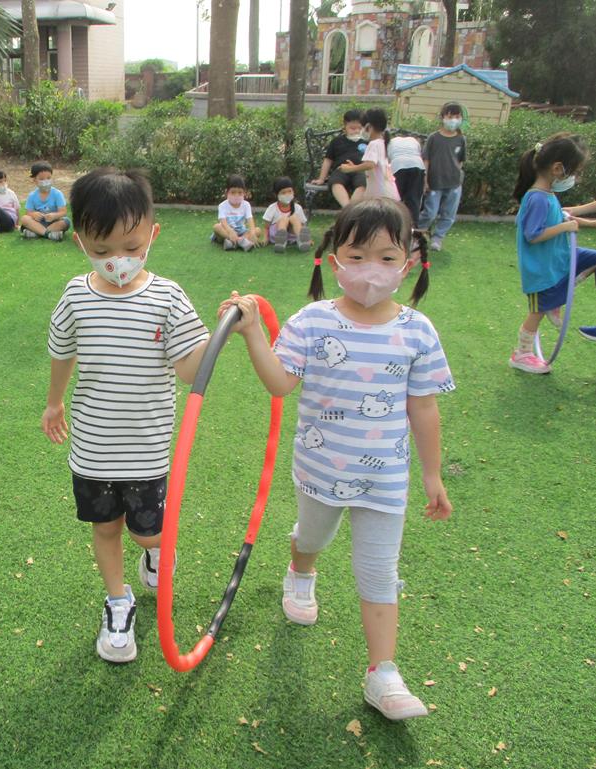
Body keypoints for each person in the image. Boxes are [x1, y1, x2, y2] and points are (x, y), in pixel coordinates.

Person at [220, 198, 454, 721]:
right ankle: (300, 571)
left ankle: (383, 672)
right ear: (334, 260)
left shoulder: (417, 330)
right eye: (358, 255)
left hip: (385, 479)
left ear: (408, 263)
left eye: (387, 258)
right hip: (321, 469)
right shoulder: (311, 322)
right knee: (313, 537)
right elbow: (280, 384)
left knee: (379, 571)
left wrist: (432, 474)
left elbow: (424, 408)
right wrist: (254, 332)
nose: (372, 270)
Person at [42, 168, 211, 663]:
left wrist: (222, 334)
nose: (118, 259)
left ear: (152, 234)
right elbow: (62, 352)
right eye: (102, 249)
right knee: (105, 528)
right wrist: (54, 401)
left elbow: (188, 371)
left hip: (147, 449)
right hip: (94, 447)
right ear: (80, 242)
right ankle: (119, 602)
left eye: (132, 247)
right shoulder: (76, 295)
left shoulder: (168, 297)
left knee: (147, 531)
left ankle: (156, 550)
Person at [508, 133, 596, 374]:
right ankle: (522, 354)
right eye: (574, 172)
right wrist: (565, 227)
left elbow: (553, 219)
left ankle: (558, 298)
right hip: (543, 269)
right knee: (536, 312)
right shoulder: (537, 197)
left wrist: (568, 218)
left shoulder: (547, 194)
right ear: (557, 169)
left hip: (560, 258)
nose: (576, 178)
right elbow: (533, 234)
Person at [420, 103, 468, 251]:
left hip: (454, 183)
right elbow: (426, 160)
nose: (453, 120)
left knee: (448, 214)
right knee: (430, 213)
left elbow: (460, 161)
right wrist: (425, 180)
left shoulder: (461, 139)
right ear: (443, 117)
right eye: (450, 116)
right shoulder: (433, 138)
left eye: (457, 116)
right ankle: (417, 233)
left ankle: (437, 238)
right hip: (435, 182)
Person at [339, 108, 399, 202]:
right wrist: (355, 166)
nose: (361, 130)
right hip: (387, 192)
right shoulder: (382, 142)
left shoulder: (373, 144)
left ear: (369, 127)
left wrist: (350, 169)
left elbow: (370, 164)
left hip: (380, 195)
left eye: (362, 127)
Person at [311, 109, 368, 207]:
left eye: (360, 128)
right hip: (341, 169)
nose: (356, 131)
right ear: (345, 127)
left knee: (363, 184)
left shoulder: (367, 142)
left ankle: (351, 209)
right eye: (352, 128)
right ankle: (346, 207)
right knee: (335, 182)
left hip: (359, 170)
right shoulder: (337, 142)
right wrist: (321, 179)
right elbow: (328, 160)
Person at [20, 161, 71, 241]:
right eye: (41, 179)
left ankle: (37, 233)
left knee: (65, 221)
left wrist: (54, 215)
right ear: (34, 180)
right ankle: (48, 234)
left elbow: (63, 212)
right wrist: (34, 214)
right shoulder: (32, 195)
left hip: (54, 222)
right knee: (24, 219)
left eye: (48, 178)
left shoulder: (57, 193)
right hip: (38, 223)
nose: (46, 181)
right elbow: (28, 213)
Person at [212, 174, 262, 251]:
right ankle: (240, 242)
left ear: (244, 193)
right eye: (233, 192)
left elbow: (250, 219)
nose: (236, 195)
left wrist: (252, 233)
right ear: (227, 192)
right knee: (216, 227)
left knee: (257, 230)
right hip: (227, 231)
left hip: (242, 232)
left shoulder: (246, 205)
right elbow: (223, 222)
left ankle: (235, 242)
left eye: (240, 192)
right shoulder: (222, 205)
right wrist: (230, 231)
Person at [263, 176, 312, 252]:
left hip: (292, 236)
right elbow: (266, 227)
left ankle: (302, 242)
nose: (287, 194)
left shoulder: (297, 208)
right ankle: (280, 243)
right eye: (283, 192)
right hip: (276, 234)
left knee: (294, 218)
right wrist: (265, 237)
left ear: (293, 192)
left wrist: (308, 239)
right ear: (276, 195)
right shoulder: (272, 208)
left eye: (289, 191)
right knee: (284, 219)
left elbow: (302, 226)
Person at [388, 134, 426, 227]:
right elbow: (420, 153)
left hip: (398, 165)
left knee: (397, 197)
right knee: (414, 198)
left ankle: (395, 223)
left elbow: (388, 159)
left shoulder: (391, 142)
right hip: (417, 165)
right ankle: (413, 225)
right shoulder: (414, 140)